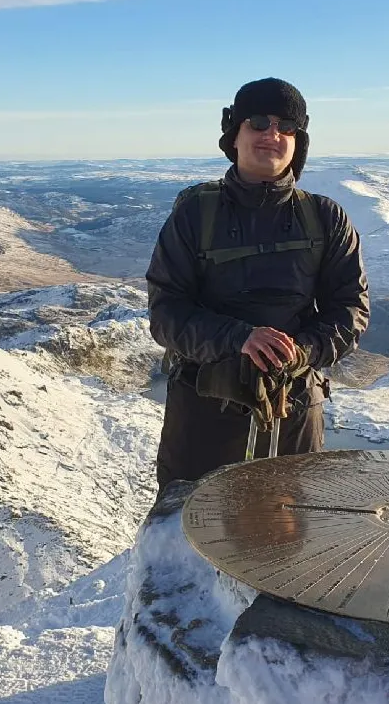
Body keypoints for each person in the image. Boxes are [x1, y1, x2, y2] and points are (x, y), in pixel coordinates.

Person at [146, 77, 370, 493]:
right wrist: (240, 339)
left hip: (295, 408)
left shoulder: (326, 218)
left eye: (287, 126)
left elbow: (350, 310)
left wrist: (301, 352)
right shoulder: (195, 214)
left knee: (289, 537)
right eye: (259, 122)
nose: (273, 134)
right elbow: (166, 313)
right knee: (186, 537)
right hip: (204, 410)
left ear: (298, 141)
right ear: (234, 134)